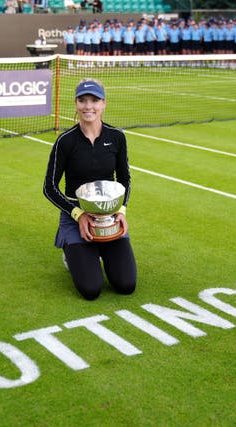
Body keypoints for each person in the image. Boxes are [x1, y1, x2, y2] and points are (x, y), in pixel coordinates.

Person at [43, 79, 137, 301]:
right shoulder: (65, 141)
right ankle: (72, 251)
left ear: (103, 103)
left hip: (109, 215)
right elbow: (49, 187)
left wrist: (121, 212)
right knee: (91, 289)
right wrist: (79, 214)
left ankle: (100, 250)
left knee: (126, 284)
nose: (88, 106)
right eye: (82, 100)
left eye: (94, 100)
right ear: (75, 103)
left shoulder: (117, 137)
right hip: (76, 217)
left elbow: (125, 180)